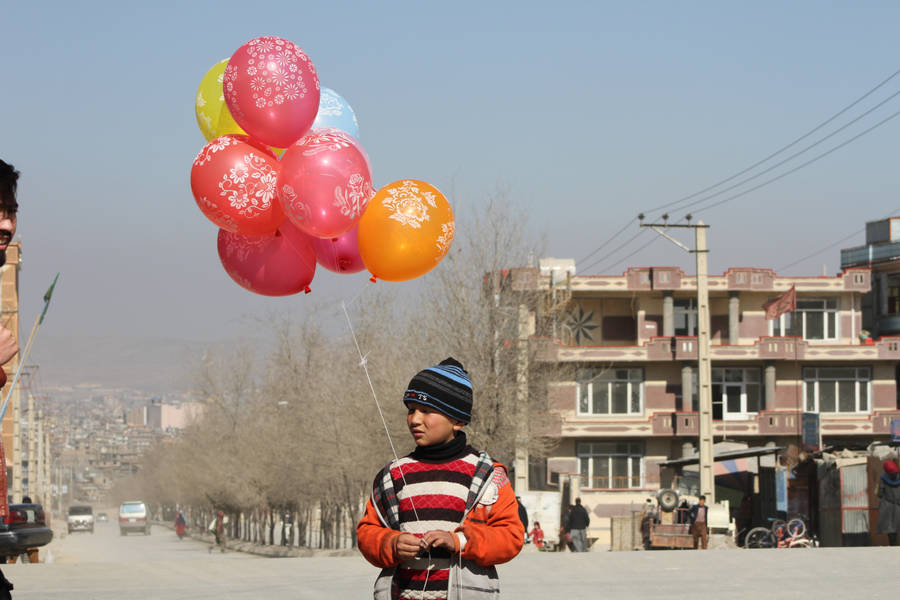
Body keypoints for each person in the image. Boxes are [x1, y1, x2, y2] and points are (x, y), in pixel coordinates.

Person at [357, 357, 524, 599]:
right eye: (411, 410)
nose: (414, 419)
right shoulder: (392, 475)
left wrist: (460, 541)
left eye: (426, 411)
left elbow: (511, 536)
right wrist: (392, 544)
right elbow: (367, 533)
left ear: (457, 420)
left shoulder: (487, 475)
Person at [877, 459, 900, 545]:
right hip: (898, 505)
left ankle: (892, 544)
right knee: (897, 525)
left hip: (887, 505)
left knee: (890, 526)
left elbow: (879, 493)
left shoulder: (883, 478)